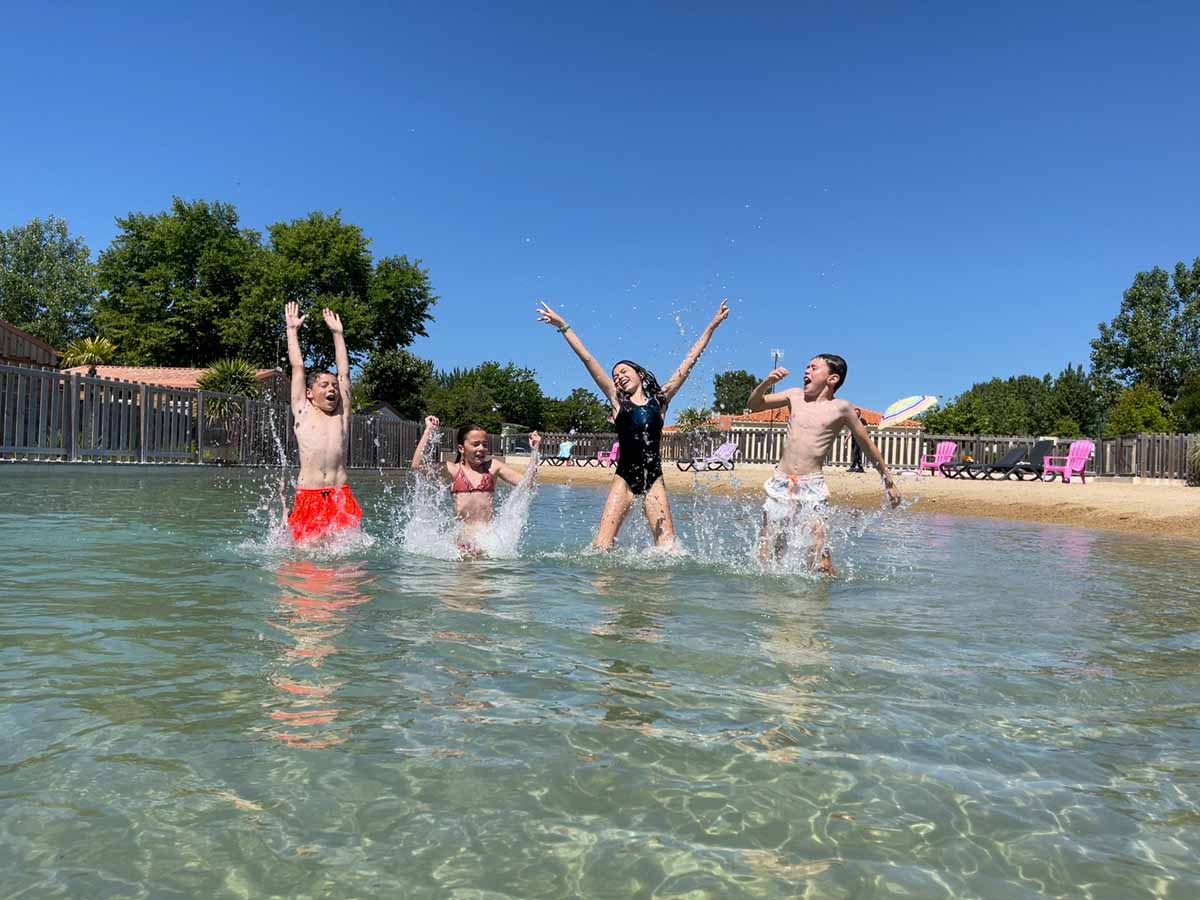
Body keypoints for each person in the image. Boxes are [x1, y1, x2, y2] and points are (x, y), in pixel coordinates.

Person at [536, 299, 730, 550]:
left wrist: (712, 326)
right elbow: (587, 358)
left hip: (653, 479)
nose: (619, 376)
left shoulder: (660, 402)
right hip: (624, 479)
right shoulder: (618, 402)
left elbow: (689, 361)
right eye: (615, 376)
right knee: (601, 547)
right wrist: (563, 325)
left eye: (624, 371)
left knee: (667, 548)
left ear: (639, 374)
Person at [747, 355, 901, 574]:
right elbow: (753, 405)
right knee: (768, 550)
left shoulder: (841, 408)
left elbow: (866, 444)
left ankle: (824, 601)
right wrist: (766, 384)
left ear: (832, 378)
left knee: (820, 555)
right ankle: (772, 602)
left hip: (812, 486)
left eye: (814, 368)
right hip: (780, 482)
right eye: (807, 367)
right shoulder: (794, 396)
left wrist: (888, 481)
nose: (806, 371)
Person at [284, 301, 363, 543]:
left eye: (334, 386)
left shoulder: (342, 415)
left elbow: (344, 374)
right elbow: (297, 367)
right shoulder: (303, 411)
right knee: (308, 561)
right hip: (310, 494)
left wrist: (338, 335)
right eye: (324, 385)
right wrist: (292, 331)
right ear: (309, 392)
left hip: (341, 495)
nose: (332, 389)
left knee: (347, 565)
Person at [411, 417, 541, 550]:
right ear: (461, 448)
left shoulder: (493, 467)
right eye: (475, 444)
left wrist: (535, 451)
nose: (481, 448)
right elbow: (417, 466)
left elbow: (528, 484)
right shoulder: (453, 470)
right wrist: (428, 430)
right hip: (462, 543)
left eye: (484, 444)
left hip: (488, 541)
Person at [848, 407, 868, 472]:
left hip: (860, 439)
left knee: (855, 452)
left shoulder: (862, 420)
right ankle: (860, 468)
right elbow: (851, 430)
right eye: (855, 413)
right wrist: (846, 439)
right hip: (854, 438)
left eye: (857, 413)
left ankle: (852, 467)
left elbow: (865, 430)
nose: (856, 414)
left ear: (859, 413)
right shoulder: (852, 420)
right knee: (857, 453)